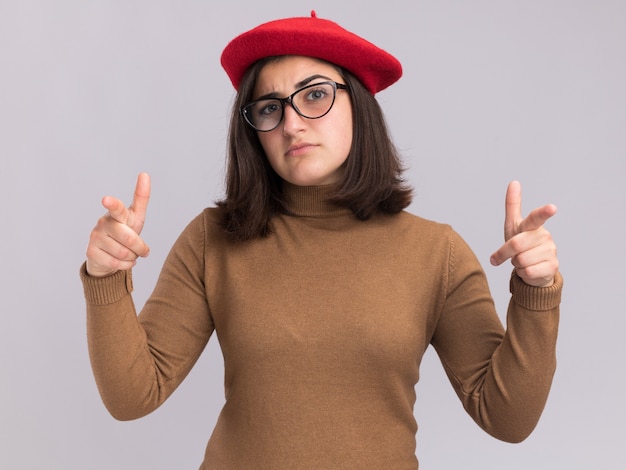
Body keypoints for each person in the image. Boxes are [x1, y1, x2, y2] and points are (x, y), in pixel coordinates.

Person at [80, 11, 562, 469]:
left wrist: (537, 292)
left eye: (314, 96)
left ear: (359, 103)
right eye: (269, 108)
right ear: (254, 133)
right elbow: (132, 397)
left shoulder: (436, 253)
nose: (291, 123)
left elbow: (508, 419)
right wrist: (106, 279)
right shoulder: (213, 240)